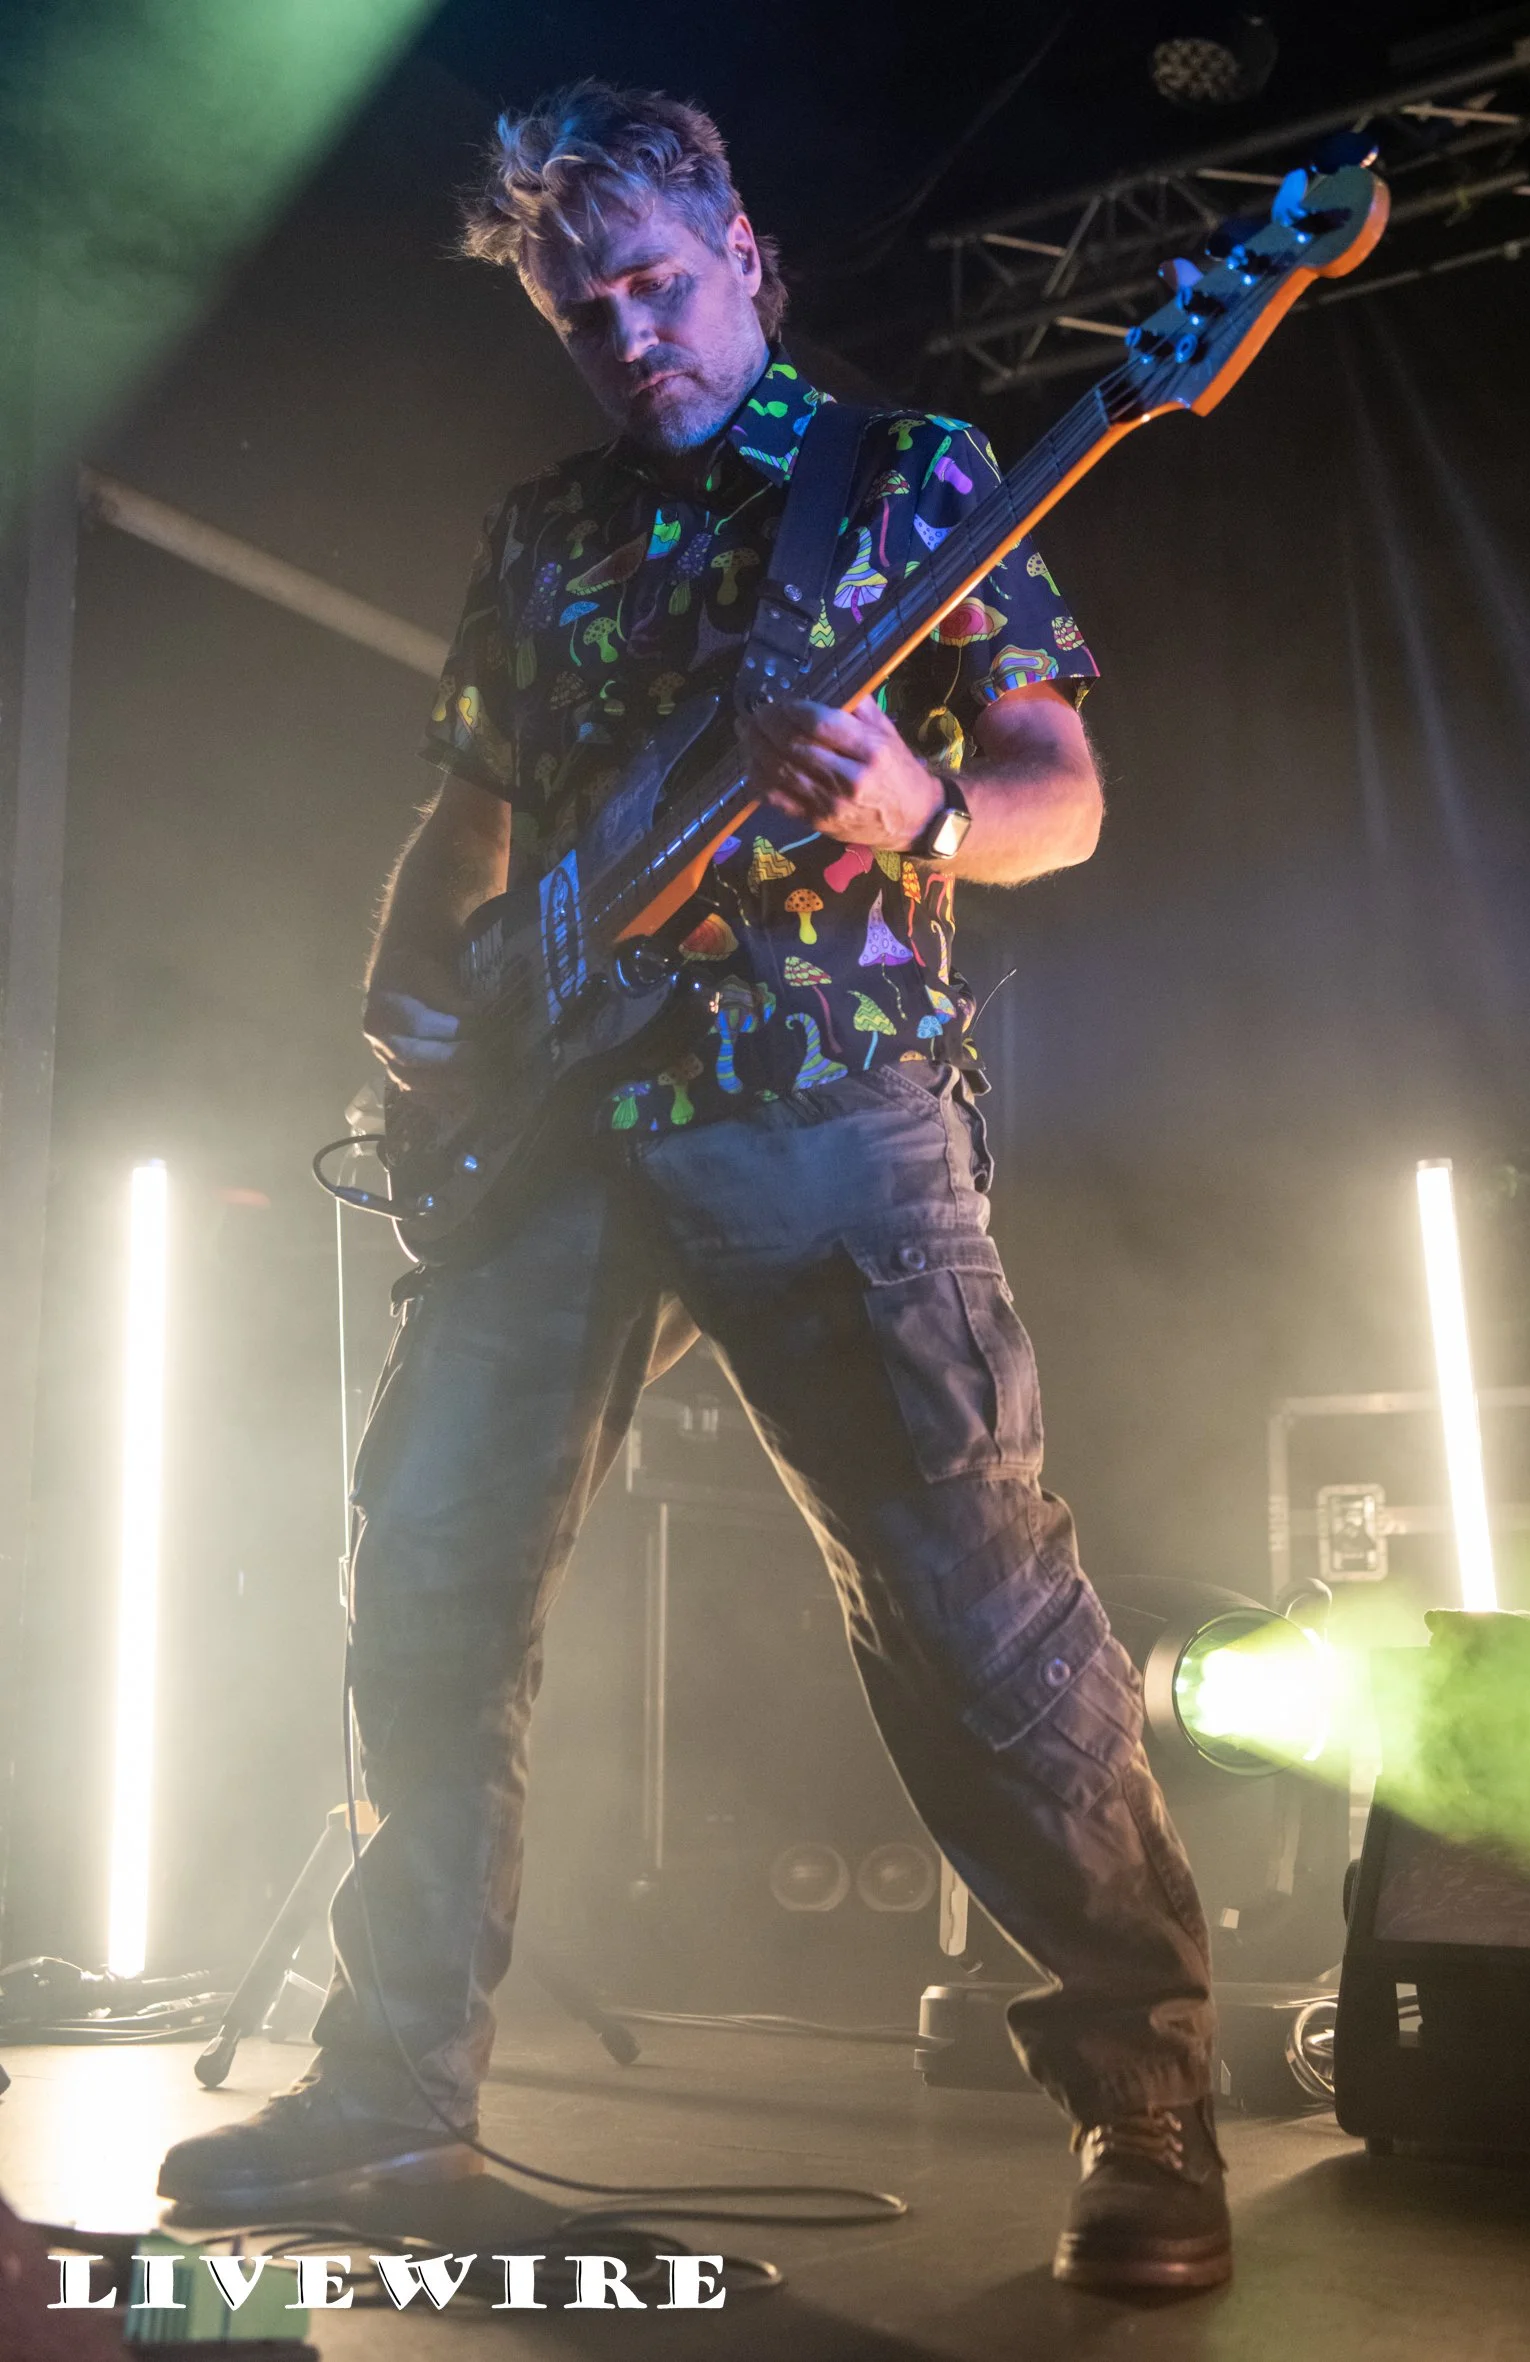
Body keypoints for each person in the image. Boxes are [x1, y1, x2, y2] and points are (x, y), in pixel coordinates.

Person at [159, 80, 1229, 2295]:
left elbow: (1060, 789)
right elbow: (468, 820)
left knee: (969, 1614)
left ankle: (1145, 2091)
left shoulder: (905, 477)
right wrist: (414, 1009)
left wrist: (928, 809)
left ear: (741, 249)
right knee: (427, 1584)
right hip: (554, 1134)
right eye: (581, 309)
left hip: (825, 1107)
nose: (626, 332)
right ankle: (392, 2084)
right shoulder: (543, 532)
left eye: (652, 282)